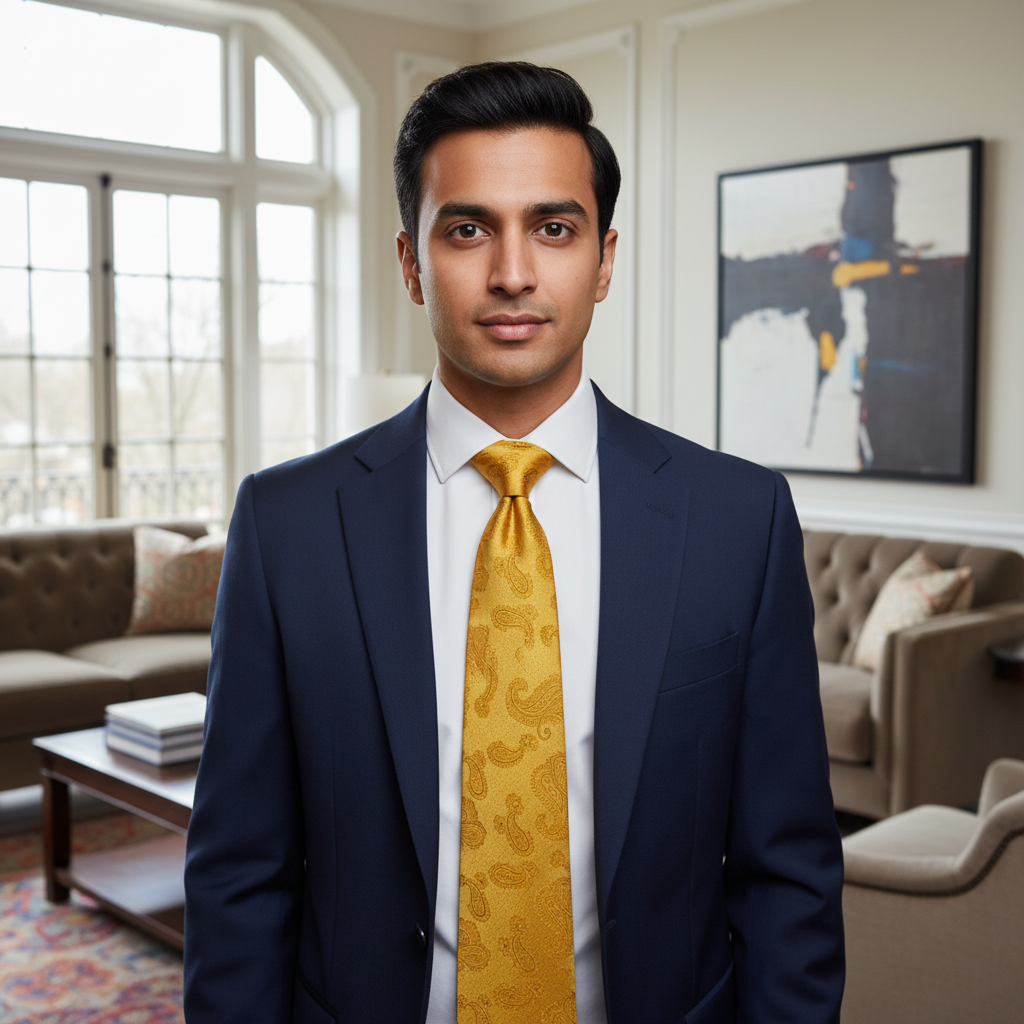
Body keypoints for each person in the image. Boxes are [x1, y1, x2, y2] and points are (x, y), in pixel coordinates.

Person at [183, 62, 844, 1024]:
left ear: (604, 259)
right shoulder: (287, 526)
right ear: (411, 263)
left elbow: (788, 874)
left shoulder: (738, 520)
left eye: (554, 227)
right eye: (466, 229)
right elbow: (239, 875)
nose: (513, 273)